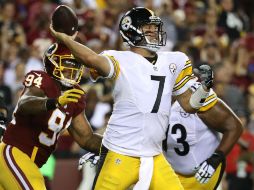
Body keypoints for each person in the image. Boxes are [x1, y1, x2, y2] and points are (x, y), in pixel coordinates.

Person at [50, 7, 215, 190]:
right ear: (132, 31)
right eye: (148, 28)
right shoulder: (119, 59)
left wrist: (204, 89)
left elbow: (189, 106)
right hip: (121, 152)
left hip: (154, 156)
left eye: (155, 28)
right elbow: (90, 58)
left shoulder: (173, 61)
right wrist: (64, 38)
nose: (154, 32)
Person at [0, 42, 102, 190]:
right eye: (67, 64)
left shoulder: (75, 96)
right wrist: (56, 102)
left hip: (32, 165)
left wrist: (118, 146)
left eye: (76, 66)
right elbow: (25, 104)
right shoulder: (42, 79)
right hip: (13, 153)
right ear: (53, 62)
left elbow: (87, 138)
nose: (72, 70)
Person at [164, 94, 243, 190]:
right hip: (168, 173)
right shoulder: (152, 100)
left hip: (202, 175)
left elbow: (234, 127)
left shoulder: (200, 98)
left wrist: (216, 158)